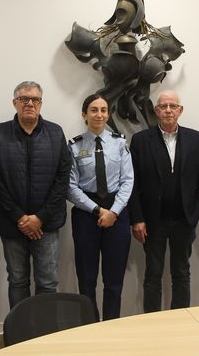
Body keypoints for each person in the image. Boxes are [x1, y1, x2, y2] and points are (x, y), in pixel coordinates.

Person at [0, 81, 72, 308]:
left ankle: (44, 339)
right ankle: (19, 337)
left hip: (47, 224)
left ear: (41, 103)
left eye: (35, 99)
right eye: (24, 99)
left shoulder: (55, 132)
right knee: (17, 281)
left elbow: (63, 178)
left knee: (48, 283)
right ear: (15, 103)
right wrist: (20, 217)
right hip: (11, 224)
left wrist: (40, 217)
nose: (30, 104)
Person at [128, 90, 199, 312]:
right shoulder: (141, 140)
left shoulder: (195, 139)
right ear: (156, 111)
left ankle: (181, 319)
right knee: (152, 274)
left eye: (173, 106)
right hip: (153, 221)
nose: (168, 110)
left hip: (184, 219)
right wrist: (137, 218)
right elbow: (132, 183)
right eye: (163, 106)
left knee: (182, 273)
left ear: (180, 110)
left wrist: (196, 212)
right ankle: (151, 322)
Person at [67, 94, 134, 320]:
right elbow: (70, 186)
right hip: (87, 215)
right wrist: (98, 210)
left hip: (117, 215)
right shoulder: (74, 146)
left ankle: (111, 325)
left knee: (114, 280)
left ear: (108, 114)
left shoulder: (120, 142)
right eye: (94, 110)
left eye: (104, 110)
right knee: (86, 279)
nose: (99, 115)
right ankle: (89, 325)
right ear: (84, 114)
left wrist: (113, 211)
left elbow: (128, 181)